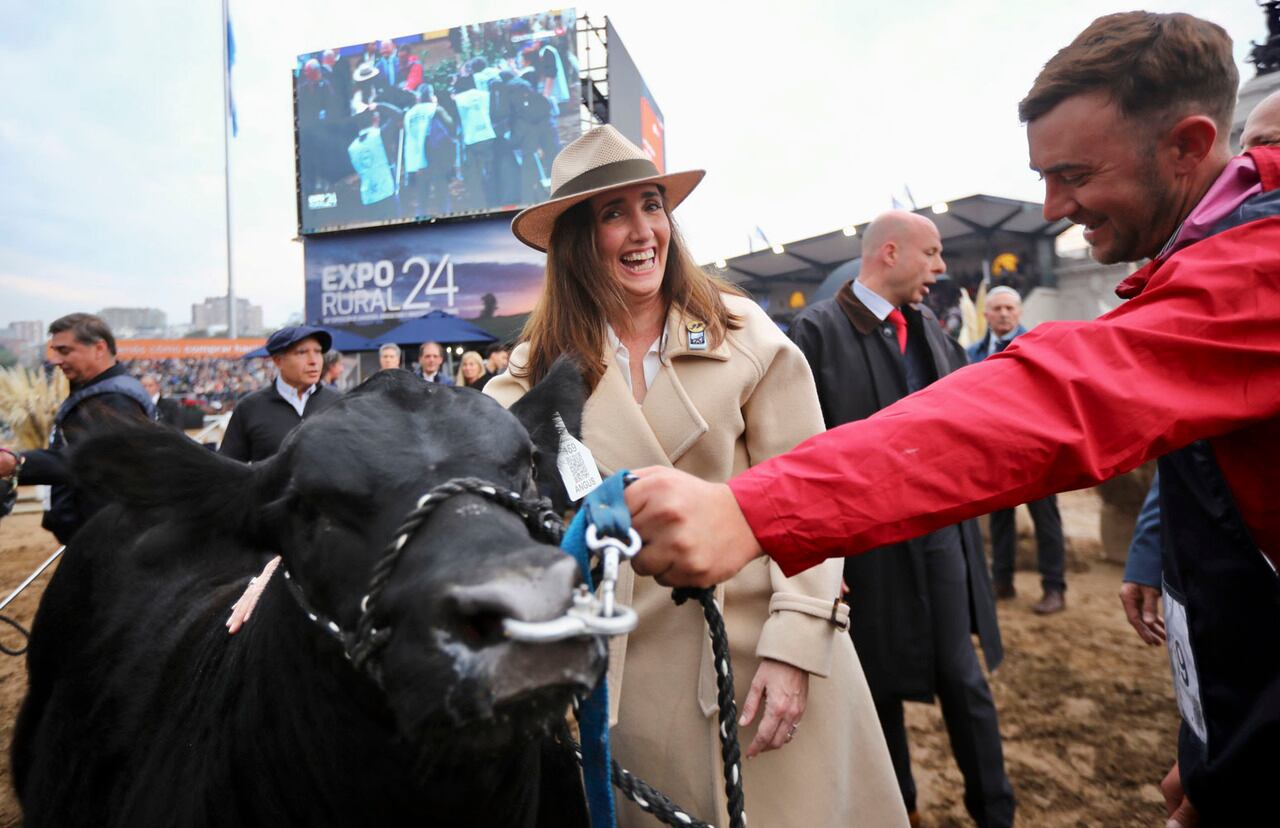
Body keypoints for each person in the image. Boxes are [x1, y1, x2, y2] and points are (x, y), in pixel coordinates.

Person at [623, 12, 1280, 827]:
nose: (1050, 208)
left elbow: (1046, 401)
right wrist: (1223, 751)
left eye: (1073, 172)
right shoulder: (1219, 253)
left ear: (1187, 145)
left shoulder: (1261, 267)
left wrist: (749, 508)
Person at [486, 125, 905, 828]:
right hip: (623, 689)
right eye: (612, 213)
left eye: (651, 205)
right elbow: (463, 479)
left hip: (763, 668)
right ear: (572, 243)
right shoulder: (534, 370)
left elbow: (813, 498)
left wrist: (798, 645)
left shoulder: (746, 335)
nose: (642, 230)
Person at [790, 210, 1012, 828]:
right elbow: (801, 456)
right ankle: (899, 811)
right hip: (864, 555)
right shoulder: (815, 333)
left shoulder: (935, 336)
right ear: (889, 252)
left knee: (963, 682)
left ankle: (995, 812)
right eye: (933, 254)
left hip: (942, 545)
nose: (941, 269)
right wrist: (824, 563)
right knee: (877, 691)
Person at [0, 314, 155, 544]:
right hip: (97, 535)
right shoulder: (96, 392)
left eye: (65, 351)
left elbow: (92, 460)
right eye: (54, 351)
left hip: (113, 540)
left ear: (99, 348)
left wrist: (19, 463)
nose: (56, 360)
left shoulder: (115, 399)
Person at [966, 286, 1068, 615]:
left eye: (1010, 308)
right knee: (1000, 521)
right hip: (995, 451)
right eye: (997, 308)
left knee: (1046, 521)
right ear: (986, 314)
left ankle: (1054, 588)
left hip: (1036, 449)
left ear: (1020, 312)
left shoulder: (1040, 345)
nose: (1004, 313)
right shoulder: (972, 353)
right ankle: (1002, 581)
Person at [219, 326, 340, 463]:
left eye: (318, 352)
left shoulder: (339, 402)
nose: (313, 361)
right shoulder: (249, 408)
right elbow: (230, 468)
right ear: (278, 361)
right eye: (302, 353)